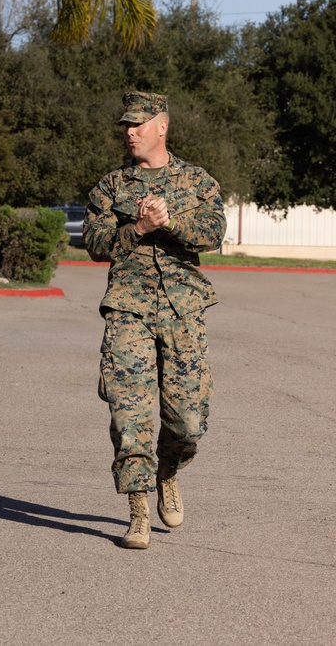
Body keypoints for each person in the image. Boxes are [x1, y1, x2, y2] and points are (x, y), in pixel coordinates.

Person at [82, 91, 226, 550]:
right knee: (130, 414)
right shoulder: (111, 186)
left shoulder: (196, 181)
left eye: (138, 125)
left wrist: (170, 223)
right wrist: (138, 229)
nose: (129, 132)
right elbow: (96, 243)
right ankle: (138, 512)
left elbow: (214, 233)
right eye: (125, 125)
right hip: (128, 309)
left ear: (161, 126)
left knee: (187, 421)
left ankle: (168, 471)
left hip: (183, 308)